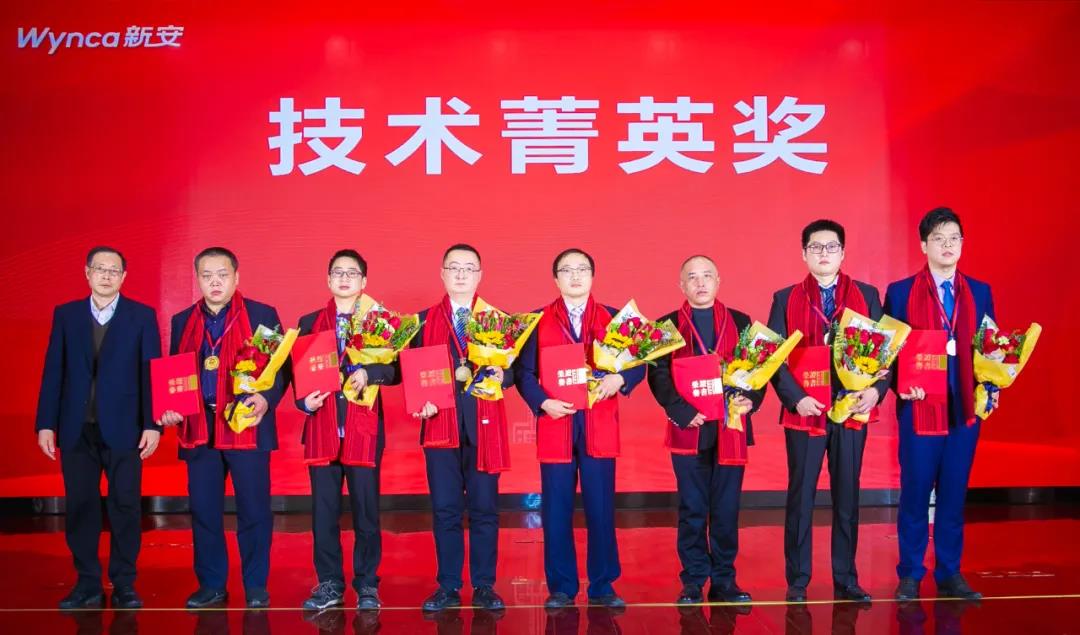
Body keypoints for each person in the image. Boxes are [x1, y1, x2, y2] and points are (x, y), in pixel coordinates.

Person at [515, 248, 646, 609]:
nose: (575, 276)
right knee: (556, 509)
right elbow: (523, 373)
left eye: (582, 269)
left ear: (592, 275)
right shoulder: (536, 320)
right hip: (555, 424)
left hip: (598, 423)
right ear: (555, 279)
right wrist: (543, 402)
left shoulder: (615, 318)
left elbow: (639, 363)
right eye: (566, 270)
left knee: (601, 507)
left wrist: (620, 378)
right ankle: (561, 587)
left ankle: (603, 585)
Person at [158, 247, 286, 608]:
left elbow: (279, 367)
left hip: (246, 424)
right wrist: (170, 407)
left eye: (222, 275)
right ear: (198, 279)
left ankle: (256, 586)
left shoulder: (261, 315)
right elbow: (175, 372)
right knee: (204, 511)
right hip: (200, 427)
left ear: (236, 277)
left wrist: (266, 398)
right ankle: (212, 584)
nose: (215, 282)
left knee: (254, 510)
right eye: (207, 275)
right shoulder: (184, 321)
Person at [767, 219, 887, 603]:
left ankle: (846, 578)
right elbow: (773, 357)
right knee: (801, 496)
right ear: (804, 254)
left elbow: (885, 352)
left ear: (843, 253)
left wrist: (875, 391)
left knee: (848, 496)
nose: (824, 253)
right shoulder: (785, 298)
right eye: (816, 247)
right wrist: (795, 398)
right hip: (805, 409)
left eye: (831, 247)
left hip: (851, 410)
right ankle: (798, 580)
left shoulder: (867, 294)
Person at [35, 246, 162, 609]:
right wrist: (46, 424)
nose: (107, 275)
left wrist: (152, 424)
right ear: (87, 273)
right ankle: (87, 583)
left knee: (126, 506)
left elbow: (151, 372)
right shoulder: (67, 315)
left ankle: (124, 584)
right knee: (80, 506)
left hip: (125, 429)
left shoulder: (141, 316)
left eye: (114, 270)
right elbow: (54, 371)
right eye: (100, 269)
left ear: (124, 277)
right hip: (76, 429)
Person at [884, 207, 995, 601]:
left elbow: (990, 347)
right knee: (915, 493)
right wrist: (901, 387)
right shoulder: (900, 292)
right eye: (938, 239)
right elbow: (888, 352)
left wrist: (992, 385)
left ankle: (949, 572)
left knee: (953, 494)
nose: (947, 246)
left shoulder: (979, 291)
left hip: (963, 409)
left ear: (962, 244)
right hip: (919, 409)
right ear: (923, 245)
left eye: (954, 238)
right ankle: (911, 573)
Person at [647, 255, 763, 604]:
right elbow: (658, 375)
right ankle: (694, 579)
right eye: (692, 277)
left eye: (707, 276)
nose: (700, 283)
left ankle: (725, 580)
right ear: (681, 285)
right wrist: (682, 411)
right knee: (692, 507)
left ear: (718, 281)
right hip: (690, 427)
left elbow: (758, 368)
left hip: (730, 425)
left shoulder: (740, 321)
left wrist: (750, 400)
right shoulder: (666, 325)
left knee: (726, 509)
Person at [411, 243, 514, 612]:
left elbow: (514, 371)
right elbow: (410, 372)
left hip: (484, 427)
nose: (461, 274)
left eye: (469, 268)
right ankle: (448, 586)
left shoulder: (498, 320)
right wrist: (418, 401)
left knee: (485, 509)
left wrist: (503, 374)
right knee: (445, 510)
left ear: (480, 275)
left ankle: (484, 586)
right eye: (453, 267)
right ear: (442, 273)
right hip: (440, 424)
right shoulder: (422, 321)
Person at [295, 249, 398, 611]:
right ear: (328, 279)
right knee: (323, 513)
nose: (344, 278)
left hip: (363, 428)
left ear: (363, 281)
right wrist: (303, 403)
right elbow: (294, 373)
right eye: (337, 272)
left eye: (351, 273)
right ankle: (329, 583)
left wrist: (370, 373)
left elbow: (395, 371)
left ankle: (367, 584)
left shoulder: (379, 322)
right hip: (322, 426)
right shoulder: (309, 322)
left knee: (366, 512)